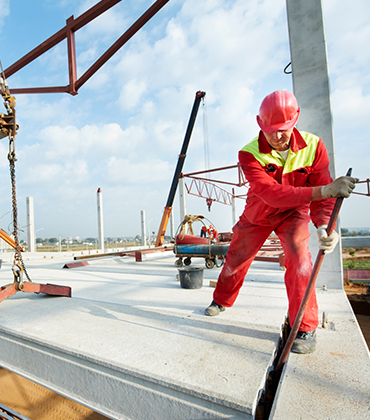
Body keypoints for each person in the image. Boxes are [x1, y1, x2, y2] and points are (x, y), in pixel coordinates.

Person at [204, 90, 358, 354]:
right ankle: (221, 300)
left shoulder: (314, 146)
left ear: (296, 119)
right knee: (236, 257)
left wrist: (324, 226)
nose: (278, 136)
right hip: (259, 213)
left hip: (294, 213)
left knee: (300, 261)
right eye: (271, 130)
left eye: (284, 129)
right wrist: (324, 191)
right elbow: (271, 194)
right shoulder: (249, 153)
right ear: (259, 124)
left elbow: (323, 195)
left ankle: (305, 327)